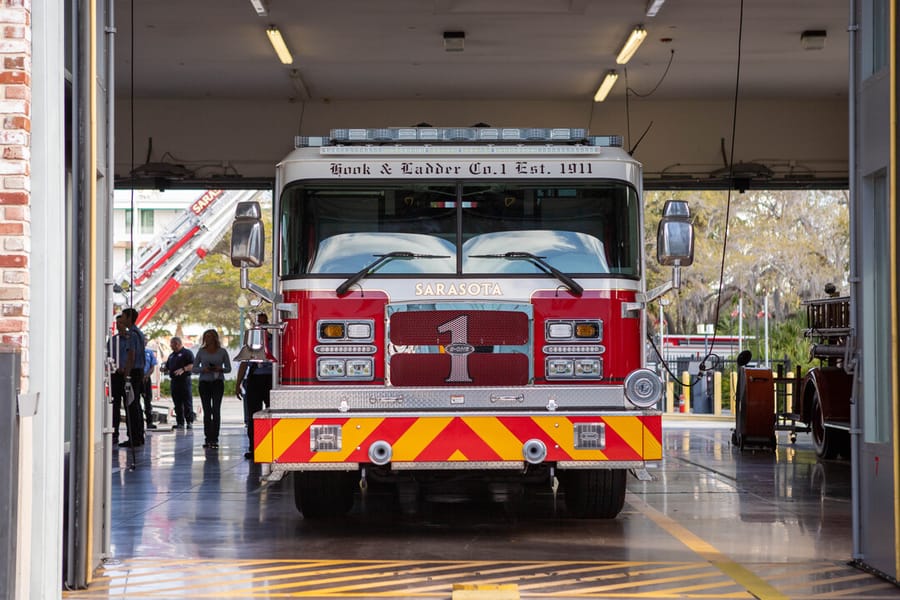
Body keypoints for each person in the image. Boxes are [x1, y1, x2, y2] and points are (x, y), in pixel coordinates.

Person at [235, 312, 273, 459]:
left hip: (271, 379)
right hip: (254, 379)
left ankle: (271, 446)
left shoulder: (274, 340)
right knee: (253, 416)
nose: (261, 327)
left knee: (272, 414)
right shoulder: (251, 342)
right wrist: (238, 384)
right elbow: (244, 362)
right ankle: (254, 447)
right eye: (258, 324)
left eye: (264, 323)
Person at [192, 329, 231, 450]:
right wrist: (203, 369)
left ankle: (215, 438)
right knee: (207, 411)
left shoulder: (222, 352)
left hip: (217, 382)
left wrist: (220, 369)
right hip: (204, 382)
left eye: (210, 336)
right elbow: (194, 368)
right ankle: (208, 437)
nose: (207, 339)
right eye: (206, 337)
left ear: (215, 338)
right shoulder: (201, 352)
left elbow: (228, 368)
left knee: (216, 410)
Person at [107, 315, 135, 447]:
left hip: (128, 375)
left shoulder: (131, 339)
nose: (119, 325)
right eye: (117, 323)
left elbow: (134, 356)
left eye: (121, 323)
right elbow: (108, 356)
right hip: (115, 375)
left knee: (130, 404)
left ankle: (132, 435)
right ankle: (114, 434)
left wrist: (127, 369)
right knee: (115, 405)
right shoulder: (113, 341)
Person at [119, 309, 145, 447]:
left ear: (129, 317)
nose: (121, 318)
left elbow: (131, 356)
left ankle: (134, 437)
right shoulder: (139, 333)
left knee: (131, 405)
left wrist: (126, 374)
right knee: (136, 405)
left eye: (123, 316)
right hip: (139, 371)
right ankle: (139, 435)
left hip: (133, 372)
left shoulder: (132, 335)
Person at [162, 336, 194, 429]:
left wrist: (184, 369)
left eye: (172, 344)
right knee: (177, 403)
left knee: (187, 402)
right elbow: (168, 367)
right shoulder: (172, 355)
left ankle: (189, 422)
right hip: (174, 382)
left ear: (177, 344)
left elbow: (193, 364)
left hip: (184, 381)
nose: (171, 346)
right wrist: (164, 369)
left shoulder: (187, 353)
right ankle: (180, 422)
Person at [141, 337, 158, 429]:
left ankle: (149, 421)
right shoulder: (135, 351)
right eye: (144, 340)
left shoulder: (149, 352)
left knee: (148, 400)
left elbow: (152, 366)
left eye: (146, 340)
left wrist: (146, 376)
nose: (145, 342)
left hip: (146, 379)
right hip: (137, 378)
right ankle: (137, 422)